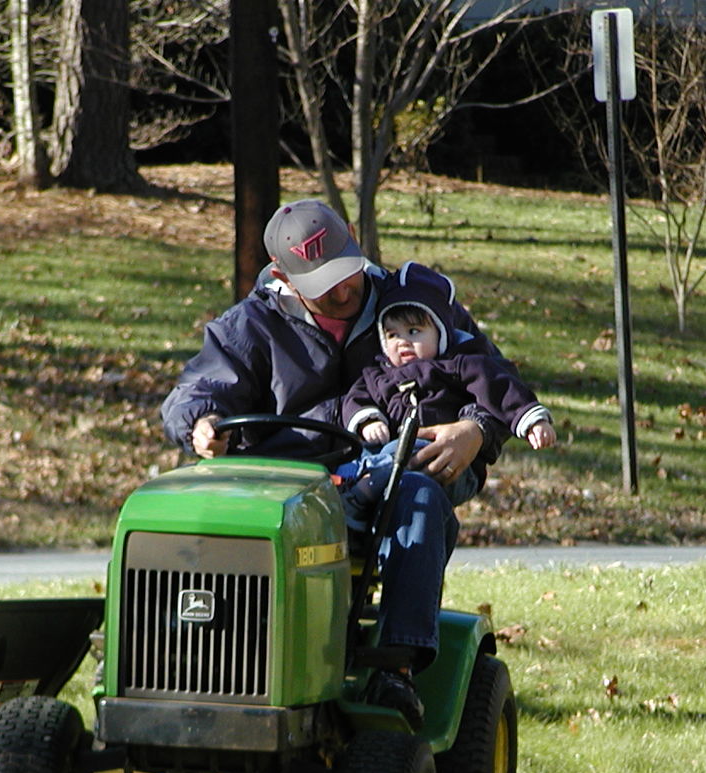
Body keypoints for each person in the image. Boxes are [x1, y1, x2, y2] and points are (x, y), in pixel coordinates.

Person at [161, 199, 509, 729]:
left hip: (408, 459)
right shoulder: (251, 325)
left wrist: (476, 431)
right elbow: (198, 389)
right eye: (324, 284)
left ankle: (396, 667)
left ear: (352, 235)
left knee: (412, 489)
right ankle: (198, 656)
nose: (344, 291)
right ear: (283, 275)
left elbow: (498, 380)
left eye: (346, 272)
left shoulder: (414, 304)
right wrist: (201, 423)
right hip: (294, 478)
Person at [337, 261, 555, 525]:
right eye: (392, 335)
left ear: (440, 332)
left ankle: (360, 490)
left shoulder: (459, 365)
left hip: (449, 463)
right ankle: (360, 492)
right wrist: (368, 418)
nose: (403, 341)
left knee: (406, 450)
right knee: (377, 456)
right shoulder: (378, 374)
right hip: (394, 458)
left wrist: (532, 420)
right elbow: (355, 398)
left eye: (414, 331)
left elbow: (501, 387)